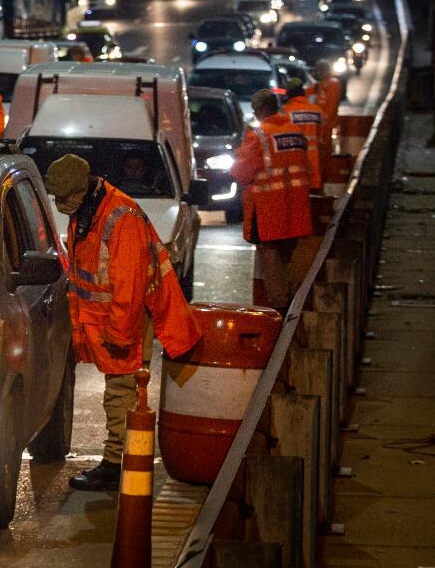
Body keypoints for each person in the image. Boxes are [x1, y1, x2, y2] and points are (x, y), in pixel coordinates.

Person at [45, 154, 201, 491]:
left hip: (125, 321)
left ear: (82, 190)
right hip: (110, 320)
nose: (59, 205)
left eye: (63, 198)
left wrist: (117, 334)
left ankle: (117, 465)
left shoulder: (120, 217)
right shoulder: (89, 211)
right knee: (120, 391)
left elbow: (128, 288)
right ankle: (119, 461)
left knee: (121, 392)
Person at [230, 89, 314, 311]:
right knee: (288, 253)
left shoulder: (257, 135)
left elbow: (241, 173)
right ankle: (296, 298)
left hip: (268, 205)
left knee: (270, 254)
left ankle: (279, 305)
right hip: (296, 203)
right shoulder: (295, 132)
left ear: (259, 110)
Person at [279, 77, 330, 191]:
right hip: (315, 163)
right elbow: (325, 138)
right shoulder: (317, 111)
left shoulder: (284, 112)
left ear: (289, 94)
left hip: (294, 165)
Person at [308, 60, 343, 132]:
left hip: (326, 121)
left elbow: (332, 104)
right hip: (320, 120)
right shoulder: (319, 84)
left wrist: (326, 119)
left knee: (325, 141)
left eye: (320, 70)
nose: (318, 73)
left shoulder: (333, 83)